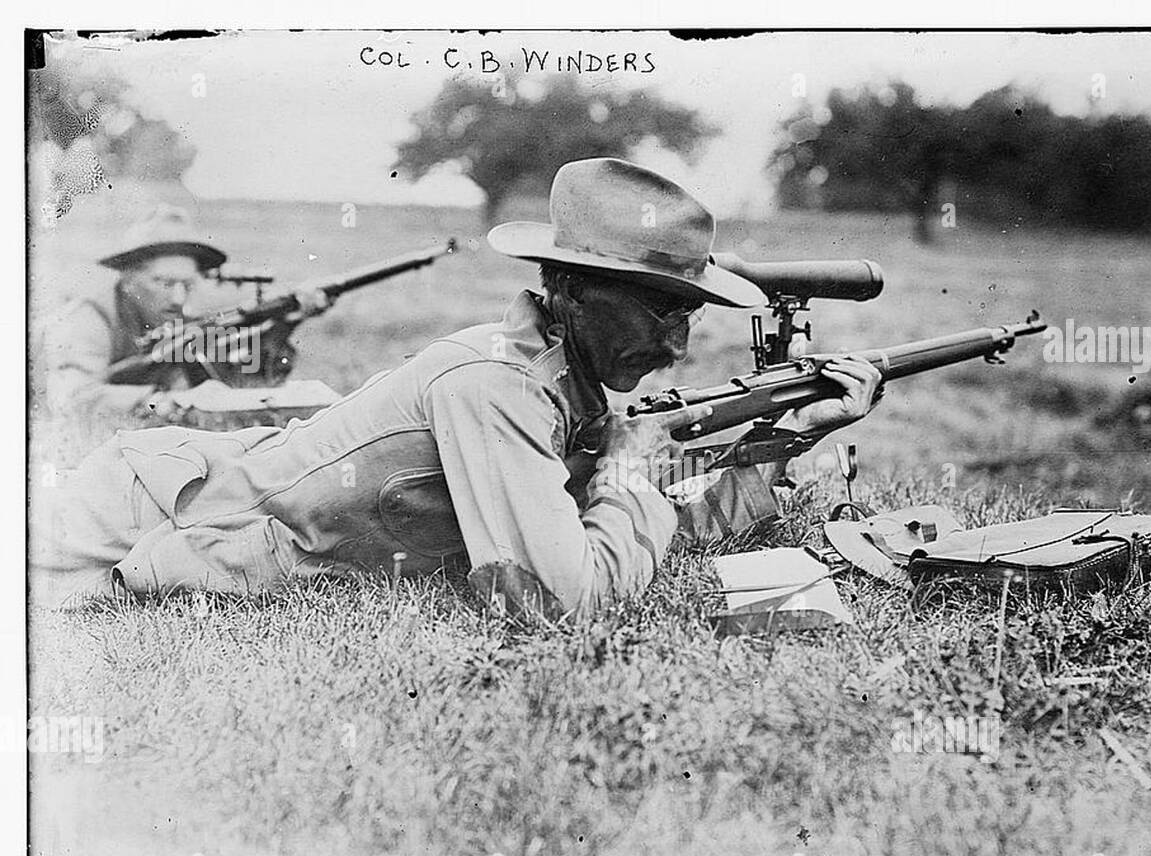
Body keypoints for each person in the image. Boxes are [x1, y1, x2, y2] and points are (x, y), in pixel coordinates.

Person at [31, 158, 883, 618]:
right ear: (573, 291)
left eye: (688, 313)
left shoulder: (573, 388)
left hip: (197, 500)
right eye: (659, 308)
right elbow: (561, 601)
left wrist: (780, 448)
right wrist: (631, 476)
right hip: (137, 515)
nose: (676, 338)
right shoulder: (497, 389)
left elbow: (634, 528)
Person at [39, 204, 229, 417]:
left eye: (187, 285)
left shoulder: (178, 319)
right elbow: (72, 397)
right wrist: (152, 402)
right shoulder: (89, 318)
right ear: (129, 278)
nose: (178, 298)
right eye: (165, 283)